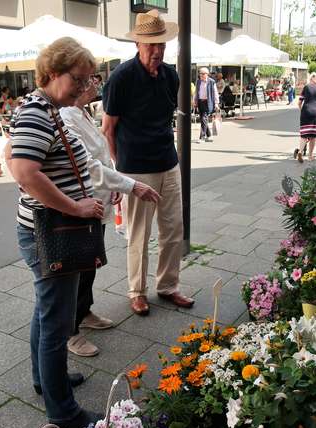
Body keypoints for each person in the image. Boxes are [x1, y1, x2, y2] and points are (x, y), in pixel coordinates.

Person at [7, 37, 105, 428]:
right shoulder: (36, 112)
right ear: (52, 73)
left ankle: (45, 380)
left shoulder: (49, 109)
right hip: (52, 232)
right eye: (78, 80)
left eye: (87, 81)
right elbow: (25, 174)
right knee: (56, 323)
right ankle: (63, 411)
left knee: (46, 312)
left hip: (50, 230)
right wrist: (77, 206)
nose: (84, 89)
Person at [102, 9, 195, 316]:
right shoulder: (121, 77)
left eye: (161, 45)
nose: (157, 51)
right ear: (138, 44)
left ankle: (168, 285)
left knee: (173, 229)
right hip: (135, 167)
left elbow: (168, 116)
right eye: (150, 45)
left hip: (168, 162)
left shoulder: (172, 75)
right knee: (139, 233)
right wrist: (119, 169)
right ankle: (137, 291)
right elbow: (108, 128)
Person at [60, 82, 159, 356]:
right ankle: (70, 330)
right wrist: (127, 184)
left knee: (90, 263)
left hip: (97, 198)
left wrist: (113, 186)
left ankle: (84, 312)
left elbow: (102, 152)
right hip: (81, 202)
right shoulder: (66, 116)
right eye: (87, 78)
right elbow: (87, 164)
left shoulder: (82, 112)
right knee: (77, 268)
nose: (94, 84)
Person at [194, 67, 219, 142]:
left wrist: (216, 103)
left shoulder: (211, 82)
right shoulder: (198, 81)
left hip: (208, 102)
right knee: (203, 119)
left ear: (207, 74)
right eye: (200, 73)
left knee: (204, 118)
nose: (201, 75)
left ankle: (202, 137)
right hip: (200, 102)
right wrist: (194, 101)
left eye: (203, 74)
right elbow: (196, 92)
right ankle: (209, 135)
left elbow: (215, 93)